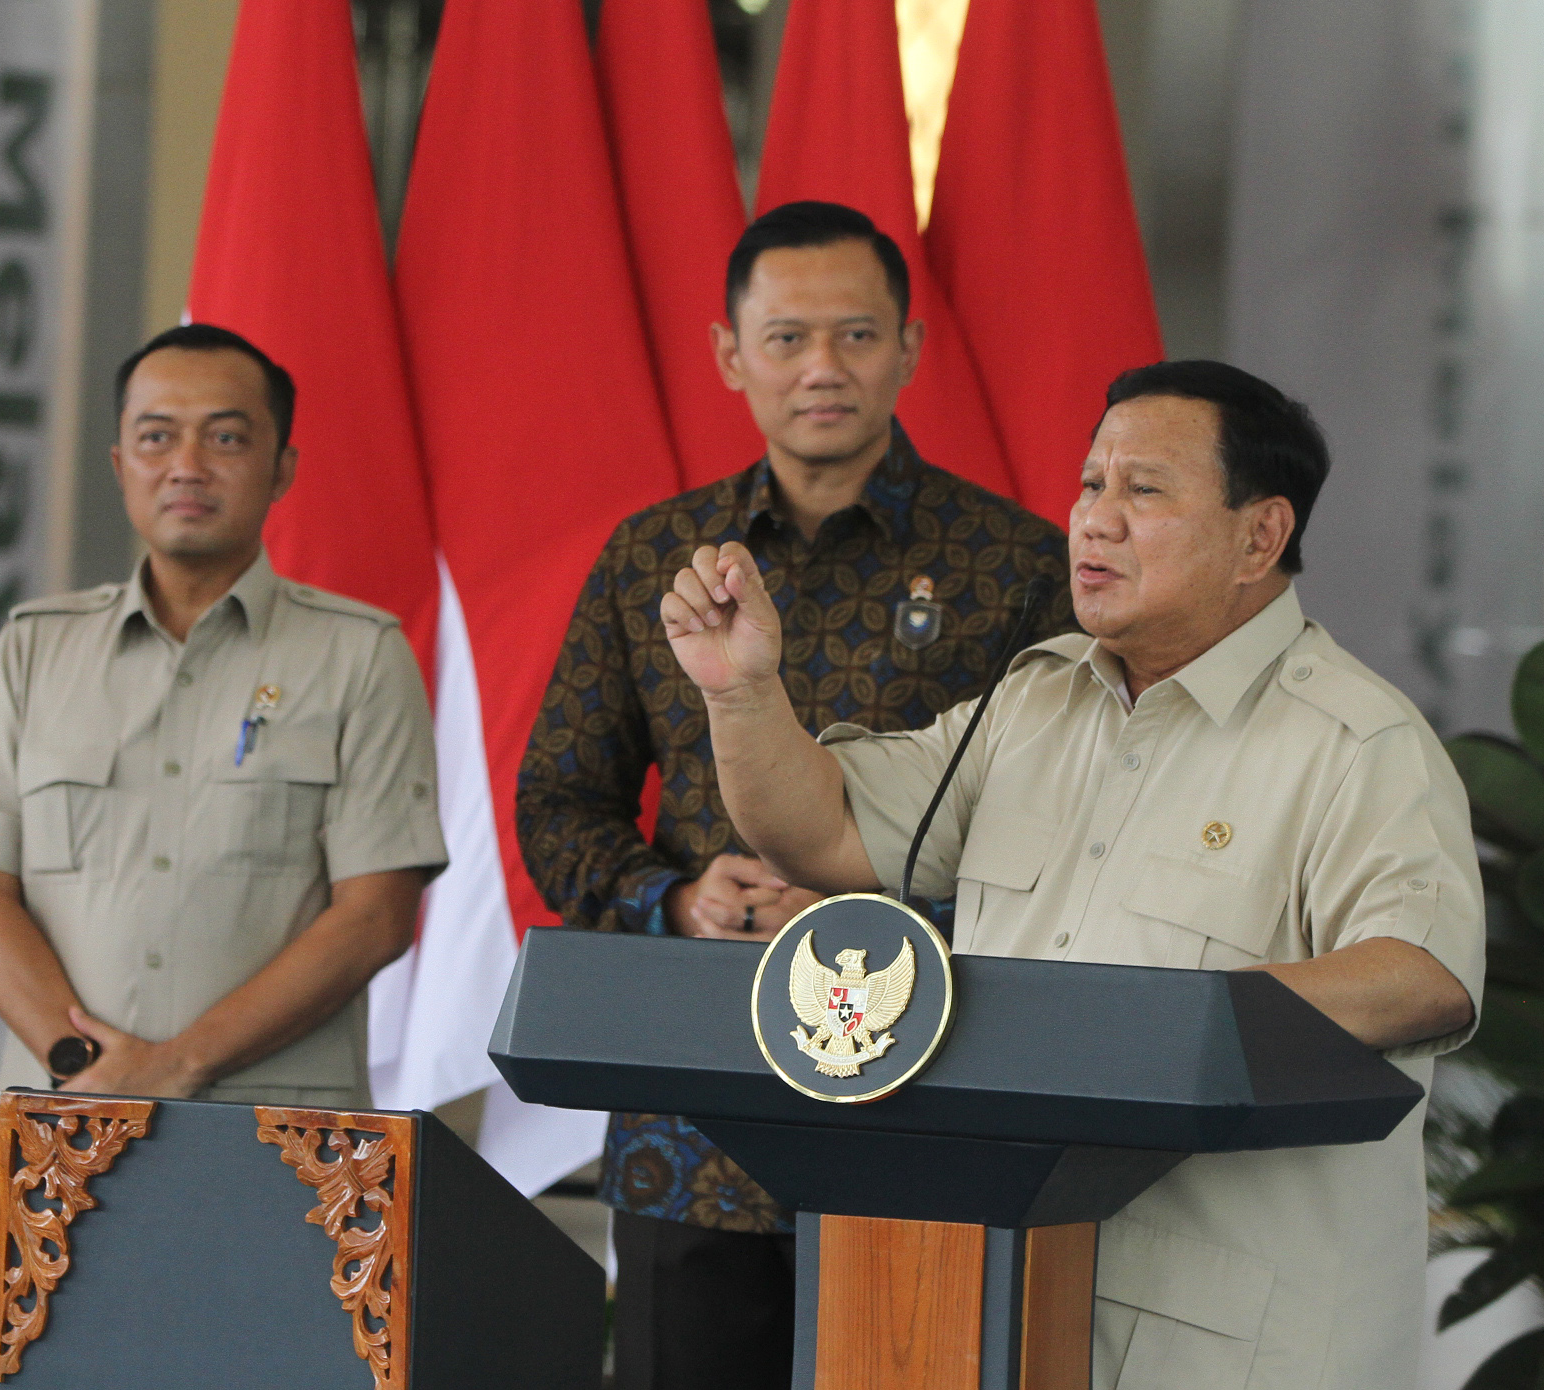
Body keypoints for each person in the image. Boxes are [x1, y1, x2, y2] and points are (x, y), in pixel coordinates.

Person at [661, 360, 1481, 1388]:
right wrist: (741, 695)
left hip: (1231, 1342)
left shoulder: (1356, 740)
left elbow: (1422, 974)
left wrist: (1150, 1032)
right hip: (1004, 1300)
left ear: (1259, 537)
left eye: (1143, 489)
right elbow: (823, 833)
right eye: (1091, 483)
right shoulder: (1032, 703)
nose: (1094, 518)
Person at [516, 200, 1072, 1389]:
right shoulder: (654, 556)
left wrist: (887, 916)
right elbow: (559, 800)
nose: (823, 367)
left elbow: (1065, 835)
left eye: (856, 335)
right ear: (730, 354)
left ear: (908, 347)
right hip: (691, 1120)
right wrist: (674, 899)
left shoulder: (1017, 565)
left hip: (928, 1107)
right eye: (786, 339)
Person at [0, 323, 446, 1106]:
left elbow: (373, 917)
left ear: (281, 468)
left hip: (279, 1130)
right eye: (156, 437)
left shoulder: (360, 655)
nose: (186, 466)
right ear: (119, 464)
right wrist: (81, 1065)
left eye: (225, 438)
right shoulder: (34, 648)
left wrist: (177, 1065)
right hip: (66, 1116)